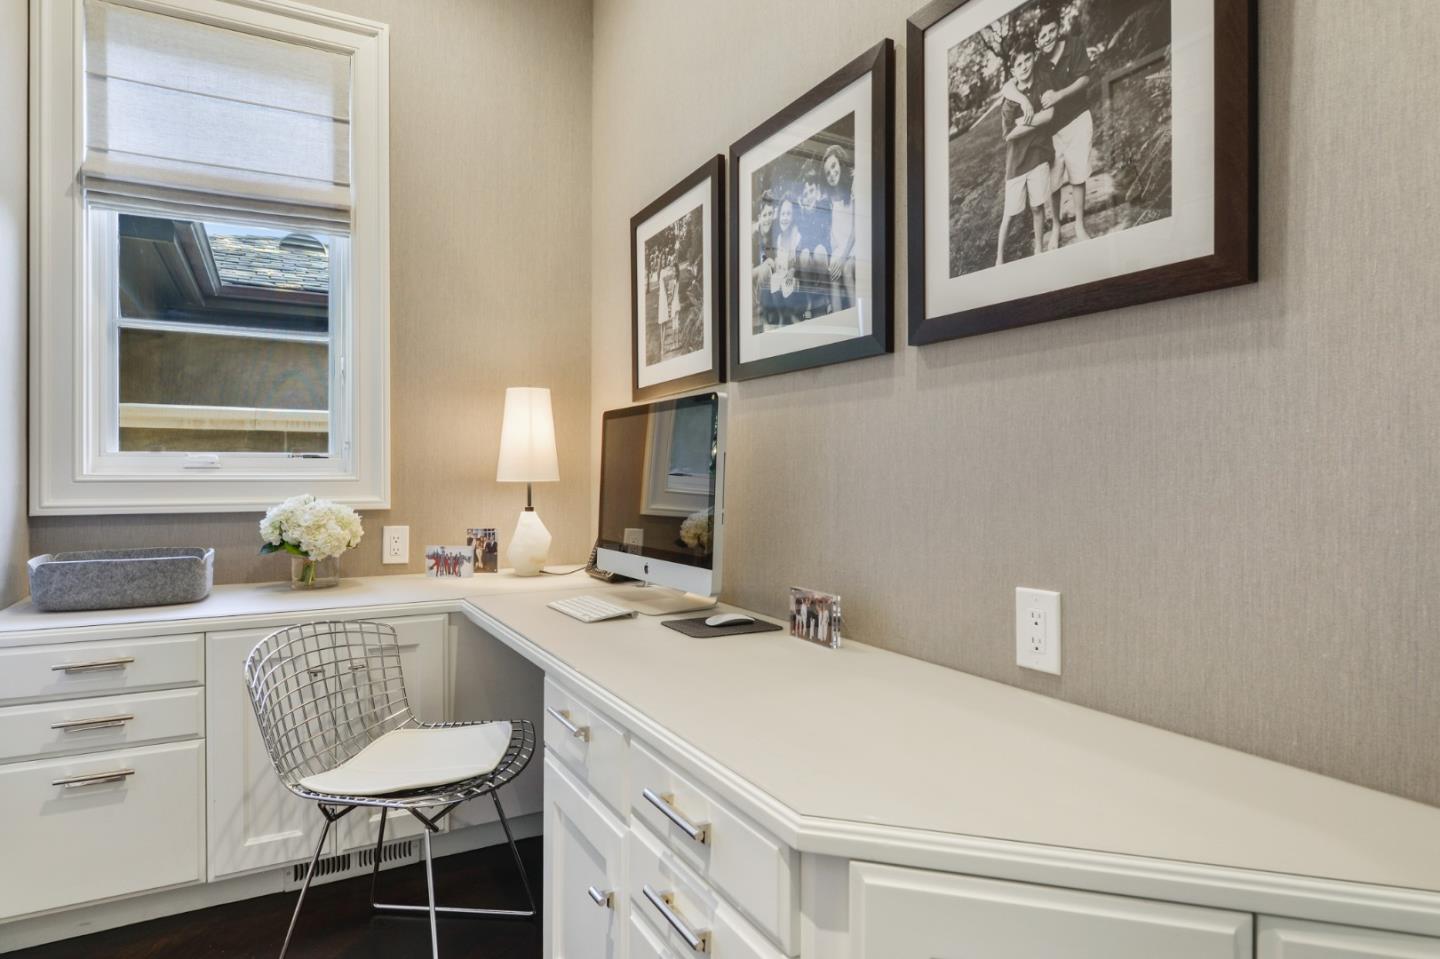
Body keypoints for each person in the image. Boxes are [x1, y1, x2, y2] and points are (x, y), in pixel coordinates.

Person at [996, 47, 1058, 265]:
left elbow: (1049, 116)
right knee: (1010, 214)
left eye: (1027, 60)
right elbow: (1009, 134)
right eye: (1019, 64)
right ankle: (999, 258)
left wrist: (1024, 122)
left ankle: (1039, 250)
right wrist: (1032, 120)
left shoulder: (1040, 85)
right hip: (1016, 164)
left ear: (1033, 59)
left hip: (1038, 155)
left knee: (1038, 206)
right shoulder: (1010, 102)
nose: (1024, 67)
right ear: (1013, 70)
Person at [1035, 16, 1094, 243]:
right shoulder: (1037, 63)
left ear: (1058, 30)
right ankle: (1057, 227)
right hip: (1051, 130)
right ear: (1037, 41)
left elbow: (1085, 78)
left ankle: (1079, 225)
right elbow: (1013, 81)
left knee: (1078, 175)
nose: (1048, 37)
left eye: (1051, 31)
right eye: (1042, 35)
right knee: (1054, 181)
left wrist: (1059, 95)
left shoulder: (1074, 45)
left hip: (1078, 118)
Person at [821, 145, 857, 314]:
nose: (832, 174)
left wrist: (842, 258)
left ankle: (856, 317)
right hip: (841, 249)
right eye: (827, 173)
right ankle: (837, 317)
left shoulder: (853, 185)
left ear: (841, 163)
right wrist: (835, 257)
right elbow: (834, 234)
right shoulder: (831, 198)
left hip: (855, 245)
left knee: (847, 269)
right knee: (833, 272)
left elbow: (856, 230)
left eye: (834, 166)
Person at [795, 163, 832, 319]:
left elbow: (821, 235)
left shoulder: (823, 207)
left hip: (822, 248)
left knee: (819, 252)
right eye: (806, 193)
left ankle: (828, 297)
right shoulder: (802, 215)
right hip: (807, 249)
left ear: (817, 192)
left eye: (812, 191)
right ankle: (809, 301)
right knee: (803, 255)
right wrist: (804, 211)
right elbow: (804, 238)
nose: (809, 196)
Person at [770, 197, 803, 325]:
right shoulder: (779, 238)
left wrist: (791, 272)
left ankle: (791, 314)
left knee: (787, 283)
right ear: (779, 217)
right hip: (781, 273)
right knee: (774, 280)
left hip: (792, 275)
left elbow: (796, 261)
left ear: (793, 217)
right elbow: (778, 260)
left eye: (788, 214)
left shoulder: (797, 236)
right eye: (783, 214)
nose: (785, 217)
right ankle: (782, 315)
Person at [751, 190, 778, 333]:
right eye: (765, 215)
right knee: (763, 270)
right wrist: (765, 264)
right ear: (759, 217)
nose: (768, 219)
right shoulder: (754, 238)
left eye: (770, 214)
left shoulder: (775, 233)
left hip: (772, 279)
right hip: (756, 282)